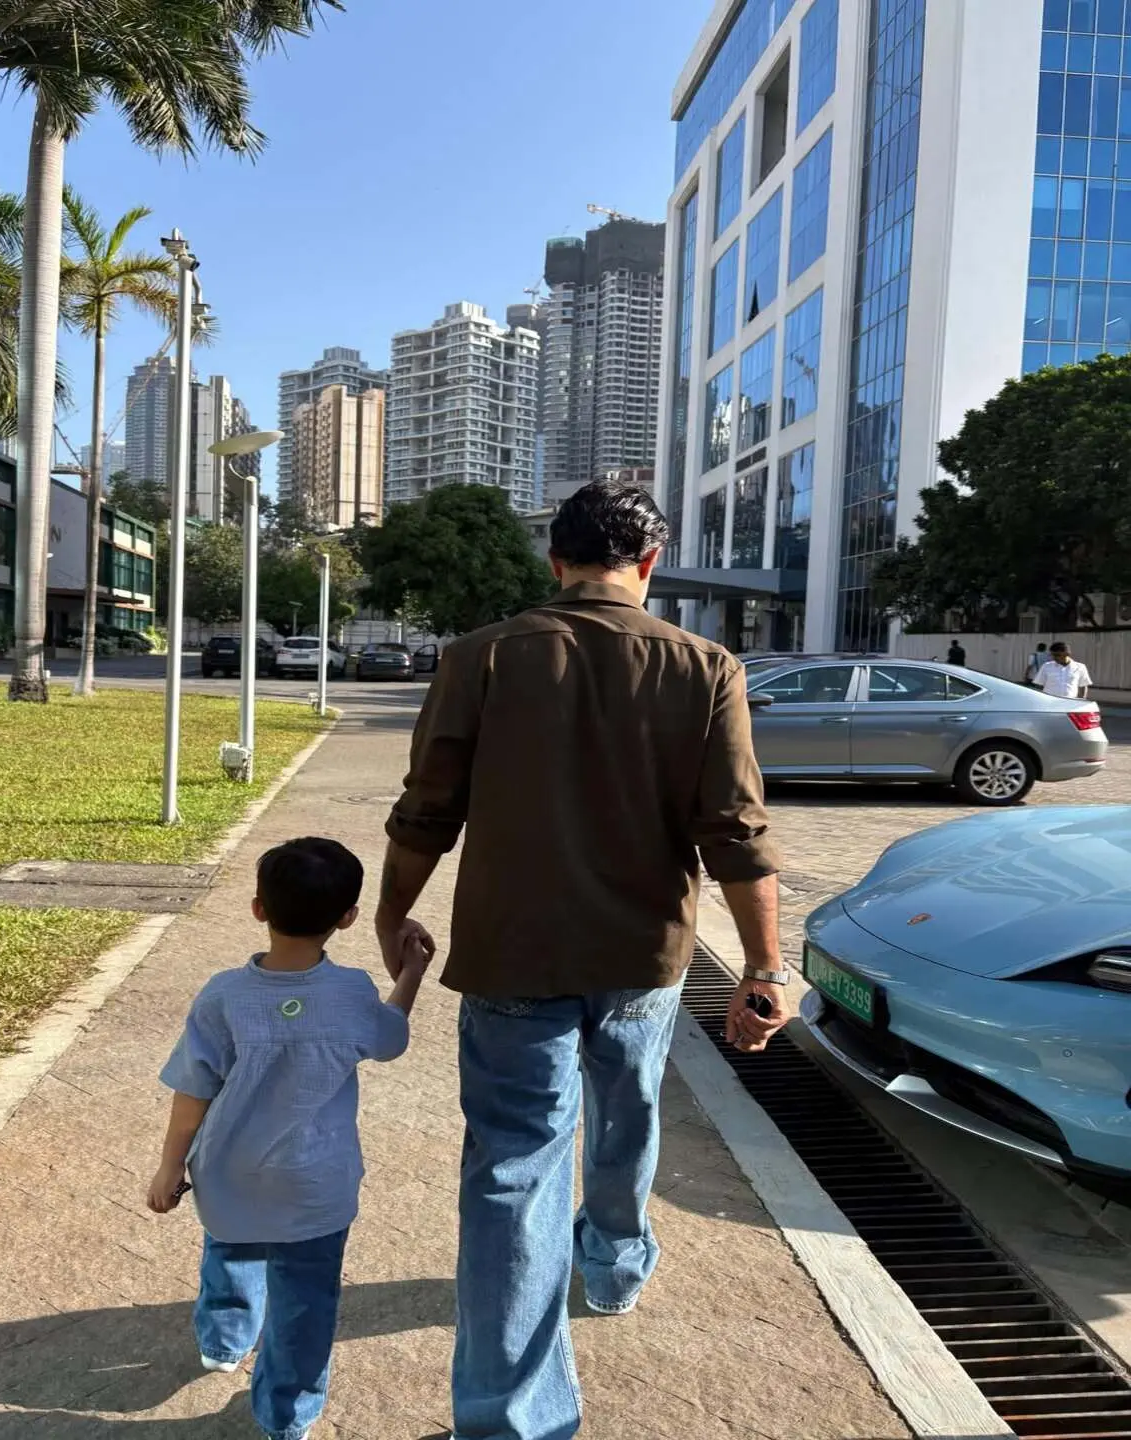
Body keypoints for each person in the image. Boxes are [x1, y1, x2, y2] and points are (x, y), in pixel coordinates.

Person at [375, 479, 787, 1440]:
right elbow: (737, 833)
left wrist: (394, 912)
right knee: (629, 1110)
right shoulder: (706, 667)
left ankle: (511, 1420)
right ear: (649, 565)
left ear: (553, 562)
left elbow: (426, 810)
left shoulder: (479, 658)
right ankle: (614, 1261)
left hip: (512, 955)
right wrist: (765, 970)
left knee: (514, 1169)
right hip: (644, 955)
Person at [147, 838, 430, 1440]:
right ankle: (285, 1413)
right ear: (348, 918)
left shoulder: (223, 995)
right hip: (314, 1184)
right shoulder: (351, 993)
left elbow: (192, 1092)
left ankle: (224, 1340)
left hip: (229, 1172)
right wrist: (410, 973)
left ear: (257, 908)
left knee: (230, 1247)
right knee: (306, 1300)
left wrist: (170, 1166)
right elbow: (391, 1039)